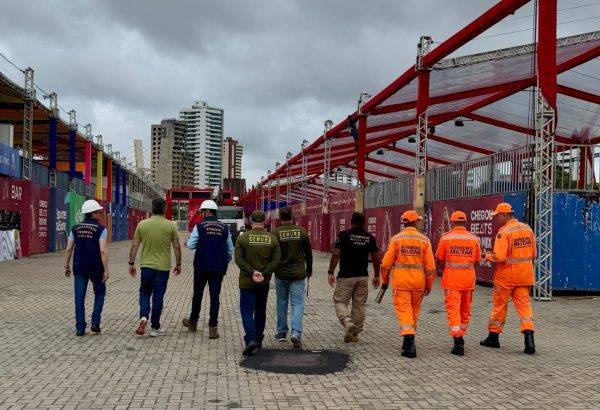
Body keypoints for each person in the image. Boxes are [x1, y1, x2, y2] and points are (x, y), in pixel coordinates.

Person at [480, 202, 537, 354]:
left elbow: (500, 257)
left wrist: (486, 255)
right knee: (524, 307)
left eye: (497, 216)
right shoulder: (527, 229)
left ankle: (493, 337)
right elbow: (533, 254)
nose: (496, 219)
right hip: (525, 276)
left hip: (506, 277)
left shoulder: (504, 232)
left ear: (504, 215)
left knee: (499, 305)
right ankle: (529, 340)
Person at [380, 210, 436, 358]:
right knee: (414, 311)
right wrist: (429, 285)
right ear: (416, 222)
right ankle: (408, 340)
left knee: (404, 310)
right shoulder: (424, 241)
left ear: (404, 222)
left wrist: (385, 281)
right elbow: (430, 268)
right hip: (418, 283)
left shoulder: (396, 239)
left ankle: (409, 341)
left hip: (401, 283)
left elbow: (385, 265)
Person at [129, 198, 182, 337]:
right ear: (164, 209)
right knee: (158, 296)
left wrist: (131, 263)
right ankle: (155, 326)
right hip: (163, 268)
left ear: (152, 208)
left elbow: (135, 245)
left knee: (145, 293)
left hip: (146, 266)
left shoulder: (142, 224)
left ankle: (144, 316)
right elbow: (176, 246)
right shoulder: (171, 225)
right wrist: (178, 264)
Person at [182, 200, 233, 339]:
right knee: (215, 297)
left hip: (201, 266)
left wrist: (197, 243)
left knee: (197, 294)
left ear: (207, 212)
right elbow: (229, 251)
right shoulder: (225, 228)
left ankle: (193, 322)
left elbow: (191, 246)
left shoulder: (200, 226)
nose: (201, 215)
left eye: (202, 212)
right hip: (218, 268)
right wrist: (223, 262)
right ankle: (213, 328)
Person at [328, 212, 380, 344]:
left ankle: (347, 321)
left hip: (346, 276)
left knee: (339, 301)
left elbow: (336, 254)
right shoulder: (369, 237)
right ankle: (355, 334)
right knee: (359, 305)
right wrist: (377, 276)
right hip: (362, 277)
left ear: (351, 221)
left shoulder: (343, 235)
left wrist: (330, 272)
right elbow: (376, 258)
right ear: (364, 223)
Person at [234, 210, 281, 356]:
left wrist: (251, 272)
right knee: (260, 310)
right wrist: (264, 273)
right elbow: (276, 259)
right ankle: (259, 340)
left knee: (247, 310)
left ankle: (251, 339)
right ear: (265, 221)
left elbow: (238, 259)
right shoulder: (272, 239)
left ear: (250, 221)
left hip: (247, 281)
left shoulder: (242, 238)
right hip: (264, 282)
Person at [435, 211, 481, 356]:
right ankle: (461, 334)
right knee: (465, 310)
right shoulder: (474, 239)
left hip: (452, 280)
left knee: (453, 310)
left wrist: (446, 269)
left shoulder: (446, 238)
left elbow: (439, 258)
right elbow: (477, 261)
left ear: (453, 222)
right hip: (468, 280)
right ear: (465, 223)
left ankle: (457, 339)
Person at [64, 200, 109, 336]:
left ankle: (80, 328)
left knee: (79, 297)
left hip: (79, 266)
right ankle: (95, 323)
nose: (101, 213)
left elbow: (68, 249)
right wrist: (106, 270)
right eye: (99, 211)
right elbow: (103, 251)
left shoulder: (75, 228)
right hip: (96, 267)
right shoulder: (101, 229)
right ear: (93, 213)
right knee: (100, 293)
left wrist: (66, 266)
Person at [272, 206, 313, 349]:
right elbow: (308, 253)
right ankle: (296, 332)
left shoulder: (275, 233)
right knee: (297, 304)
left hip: (281, 274)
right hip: (298, 274)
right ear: (293, 216)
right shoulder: (302, 232)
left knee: (282, 303)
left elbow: (273, 254)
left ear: (280, 217)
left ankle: (282, 332)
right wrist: (309, 269)